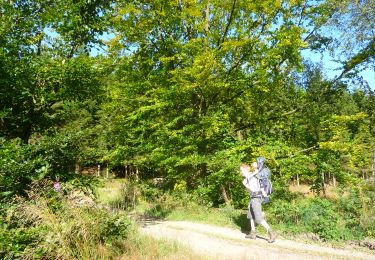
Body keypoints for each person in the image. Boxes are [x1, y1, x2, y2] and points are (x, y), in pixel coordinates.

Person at [240, 161, 276, 243]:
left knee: (258, 218)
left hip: (256, 198)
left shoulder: (253, 176)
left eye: (241, 170)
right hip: (252, 198)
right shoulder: (246, 179)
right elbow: (249, 190)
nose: (241, 172)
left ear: (245, 170)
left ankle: (271, 233)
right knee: (251, 215)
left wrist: (264, 195)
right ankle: (253, 233)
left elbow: (258, 187)